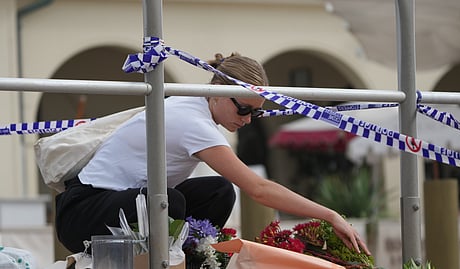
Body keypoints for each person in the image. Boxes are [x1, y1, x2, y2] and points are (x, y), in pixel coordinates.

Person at [55, 52, 370, 256]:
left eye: (255, 114)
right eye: (243, 108)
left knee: (219, 190)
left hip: (111, 204)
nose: (246, 120)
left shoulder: (194, 107)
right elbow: (259, 189)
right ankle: (180, 260)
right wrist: (329, 214)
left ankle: (196, 258)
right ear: (218, 90)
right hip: (82, 213)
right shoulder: (194, 122)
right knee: (168, 201)